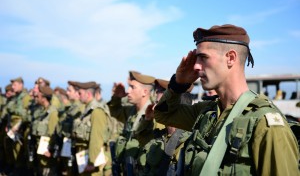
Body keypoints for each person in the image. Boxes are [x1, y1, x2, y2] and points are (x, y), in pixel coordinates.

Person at [154, 24, 299, 175]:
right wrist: (178, 84)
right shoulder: (207, 113)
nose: (196, 66)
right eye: (197, 58)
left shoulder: (265, 125)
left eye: (203, 57)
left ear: (230, 58)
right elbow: (163, 115)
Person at [108, 71, 156, 175]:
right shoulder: (132, 111)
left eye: (132, 87)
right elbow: (115, 111)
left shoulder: (152, 115)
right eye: (129, 87)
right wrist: (116, 97)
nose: (128, 91)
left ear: (144, 92)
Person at [72, 81, 112, 176]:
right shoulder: (86, 111)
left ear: (88, 94)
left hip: (92, 161)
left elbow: (96, 139)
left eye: (80, 93)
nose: (78, 95)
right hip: (83, 157)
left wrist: (91, 161)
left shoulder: (97, 111)